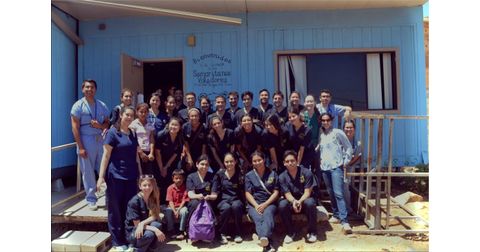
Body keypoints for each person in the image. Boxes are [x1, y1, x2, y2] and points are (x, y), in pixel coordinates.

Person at [97, 106, 142, 250]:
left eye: (131, 116)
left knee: (129, 209)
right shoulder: (112, 132)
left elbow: (136, 156)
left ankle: (128, 239)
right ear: (121, 115)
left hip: (131, 176)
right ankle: (117, 242)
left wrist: (140, 174)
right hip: (115, 176)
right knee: (115, 210)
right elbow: (106, 155)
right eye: (127, 115)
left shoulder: (133, 133)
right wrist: (100, 177)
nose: (129, 117)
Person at [70, 79, 110, 209]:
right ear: (83, 89)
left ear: (95, 89)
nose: (89, 89)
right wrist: (80, 147)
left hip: (100, 139)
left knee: (104, 168)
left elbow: (107, 123)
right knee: (87, 170)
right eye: (87, 87)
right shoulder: (78, 106)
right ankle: (91, 198)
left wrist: (99, 126)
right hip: (86, 139)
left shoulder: (102, 105)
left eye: (92, 87)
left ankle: (108, 196)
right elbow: (75, 127)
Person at [317, 113, 353, 234]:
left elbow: (348, 147)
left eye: (327, 120)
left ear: (331, 121)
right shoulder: (322, 135)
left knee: (338, 193)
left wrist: (346, 161)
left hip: (336, 167)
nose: (325, 122)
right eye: (323, 120)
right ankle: (336, 214)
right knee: (331, 193)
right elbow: (320, 149)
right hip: (325, 168)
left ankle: (345, 221)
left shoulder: (338, 132)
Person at [278, 150, 318, 244]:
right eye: (287, 161)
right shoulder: (282, 177)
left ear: (297, 161)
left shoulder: (307, 172)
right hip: (292, 202)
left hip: (304, 200)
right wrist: (294, 202)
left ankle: (312, 232)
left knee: (310, 202)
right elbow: (287, 194)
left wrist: (299, 201)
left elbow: (307, 192)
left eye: (292, 160)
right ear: (284, 163)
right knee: (282, 205)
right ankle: (290, 232)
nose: (290, 163)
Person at [244, 151, 279, 252]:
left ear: (264, 160)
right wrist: (256, 205)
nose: (257, 162)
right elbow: (248, 193)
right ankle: (267, 243)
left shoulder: (272, 174)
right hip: (254, 204)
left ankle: (263, 239)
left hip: (269, 202)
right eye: (254, 161)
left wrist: (266, 204)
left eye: (259, 160)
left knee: (268, 214)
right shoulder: (249, 175)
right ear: (252, 162)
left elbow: (276, 192)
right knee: (258, 217)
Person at [125, 175, 165, 252]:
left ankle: (150, 248)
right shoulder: (134, 201)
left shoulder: (152, 197)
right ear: (140, 186)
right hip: (133, 231)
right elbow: (137, 225)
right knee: (150, 233)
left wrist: (142, 223)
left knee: (157, 224)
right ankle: (136, 249)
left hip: (142, 226)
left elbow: (155, 215)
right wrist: (155, 229)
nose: (147, 187)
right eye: (144, 185)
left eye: (149, 185)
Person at [213, 153, 245, 244]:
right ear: (224, 162)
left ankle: (238, 233)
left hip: (236, 199)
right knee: (226, 207)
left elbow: (244, 190)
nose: (229, 164)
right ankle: (222, 233)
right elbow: (214, 190)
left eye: (231, 161)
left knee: (236, 206)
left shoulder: (240, 174)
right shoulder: (219, 174)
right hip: (223, 200)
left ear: (235, 162)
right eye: (227, 162)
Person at [186, 155, 219, 243]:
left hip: (208, 201)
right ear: (197, 164)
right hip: (195, 200)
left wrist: (209, 197)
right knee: (194, 204)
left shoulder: (213, 177)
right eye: (202, 164)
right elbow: (190, 194)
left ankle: (208, 233)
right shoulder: (191, 177)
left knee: (209, 206)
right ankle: (192, 232)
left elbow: (214, 195)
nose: (204, 167)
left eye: (206, 165)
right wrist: (197, 196)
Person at [155, 117, 184, 204]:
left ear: (179, 127)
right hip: (159, 161)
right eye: (172, 124)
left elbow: (176, 153)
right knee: (160, 182)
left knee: (169, 180)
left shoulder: (180, 137)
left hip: (171, 162)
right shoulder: (161, 135)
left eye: (176, 125)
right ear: (168, 125)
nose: (173, 127)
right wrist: (161, 168)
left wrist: (167, 166)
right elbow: (157, 153)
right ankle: (159, 204)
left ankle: (170, 203)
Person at [130, 103, 156, 175]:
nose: (143, 114)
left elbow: (152, 139)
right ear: (137, 112)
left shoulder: (150, 125)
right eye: (141, 112)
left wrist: (151, 153)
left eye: (145, 112)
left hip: (148, 154)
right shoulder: (133, 124)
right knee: (139, 174)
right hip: (137, 153)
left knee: (148, 175)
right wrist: (141, 153)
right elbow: (133, 139)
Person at [343, 120, 362, 214]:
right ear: (343, 129)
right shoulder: (339, 140)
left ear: (354, 129)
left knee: (345, 184)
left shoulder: (357, 143)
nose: (348, 129)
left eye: (351, 127)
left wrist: (348, 164)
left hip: (349, 167)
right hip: (338, 166)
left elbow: (358, 156)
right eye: (347, 127)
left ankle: (348, 208)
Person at [164, 169, 189, 240]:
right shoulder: (170, 188)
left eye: (180, 178)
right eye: (176, 178)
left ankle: (181, 231)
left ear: (183, 179)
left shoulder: (185, 188)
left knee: (184, 212)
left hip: (181, 206)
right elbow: (170, 201)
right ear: (173, 179)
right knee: (168, 211)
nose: (178, 180)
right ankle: (171, 230)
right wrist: (175, 211)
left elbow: (184, 200)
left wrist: (178, 210)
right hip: (172, 207)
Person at [303, 95, 322, 187]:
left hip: (316, 145)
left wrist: (318, 146)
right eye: (307, 101)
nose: (309, 103)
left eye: (311, 101)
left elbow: (321, 133)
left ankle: (317, 190)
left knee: (317, 169)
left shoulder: (318, 116)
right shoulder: (302, 115)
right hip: (305, 147)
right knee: (305, 169)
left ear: (315, 103)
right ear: (304, 103)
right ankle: (306, 189)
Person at [182, 108, 207, 174]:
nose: (194, 118)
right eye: (192, 116)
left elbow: (204, 144)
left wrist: (202, 158)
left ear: (199, 117)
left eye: (196, 116)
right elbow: (185, 143)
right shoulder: (185, 127)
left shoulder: (204, 127)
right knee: (188, 169)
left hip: (199, 152)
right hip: (189, 152)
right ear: (189, 117)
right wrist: (189, 158)